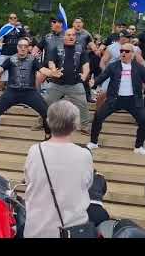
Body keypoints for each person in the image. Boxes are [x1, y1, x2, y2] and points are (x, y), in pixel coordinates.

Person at [24, 100, 93, 238]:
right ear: (75, 125)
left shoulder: (35, 151)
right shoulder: (84, 154)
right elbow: (88, 184)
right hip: (72, 231)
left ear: (49, 122)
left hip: (37, 230)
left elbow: (28, 179)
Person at [88, 43, 145, 156]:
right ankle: (93, 142)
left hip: (133, 100)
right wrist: (94, 82)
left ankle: (139, 146)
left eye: (126, 51)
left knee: (144, 122)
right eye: (121, 51)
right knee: (97, 117)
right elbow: (103, 76)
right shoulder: (113, 66)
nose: (123, 53)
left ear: (132, 54)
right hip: (114, 99)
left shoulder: (139, 67)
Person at [0, 38, 62, 141]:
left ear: (29, 48)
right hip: (12, 92)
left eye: (25, 46)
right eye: (20, 46)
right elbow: (0, 69)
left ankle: (48, 136)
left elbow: (43, 70)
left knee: (46, 113)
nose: (23, 49)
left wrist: (52, 73)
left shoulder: (33, 60)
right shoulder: (10, 59)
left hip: (30, 92)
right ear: (17, 47)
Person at [39, 28, 91, 135]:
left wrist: (85, 75)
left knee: (83, 104)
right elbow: (51, 62)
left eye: (73, 35)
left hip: (75, 83)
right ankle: (41, 122)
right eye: (68, 35)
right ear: (64, 37)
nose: (71, 37)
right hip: (56, 83)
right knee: (45, 103)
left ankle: (85, 126)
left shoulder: (81, 49)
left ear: (75, 37)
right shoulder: (56, 48)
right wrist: (53, 70)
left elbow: (86, 64)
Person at [0, 13, 26, 91]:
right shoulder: (5, 28)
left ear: (17, 19)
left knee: (14, 73)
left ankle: (10, 90)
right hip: (4, 54)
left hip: (15, 54)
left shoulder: (19, 30)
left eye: (14, 18)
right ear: (8, 19)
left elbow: (26, 38)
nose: (13, 19)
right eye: (11, 18)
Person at [72, 17, 96, 103]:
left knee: (86, 77)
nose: (78, 24)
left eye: (80, 22)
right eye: (76, 22)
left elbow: (92, 45)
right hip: (70, 56)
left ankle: (88, 96)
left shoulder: (86, 34)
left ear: (82, 24)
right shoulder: (68, 32)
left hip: (82, 57)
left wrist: (95, 49)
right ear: (73, 24)